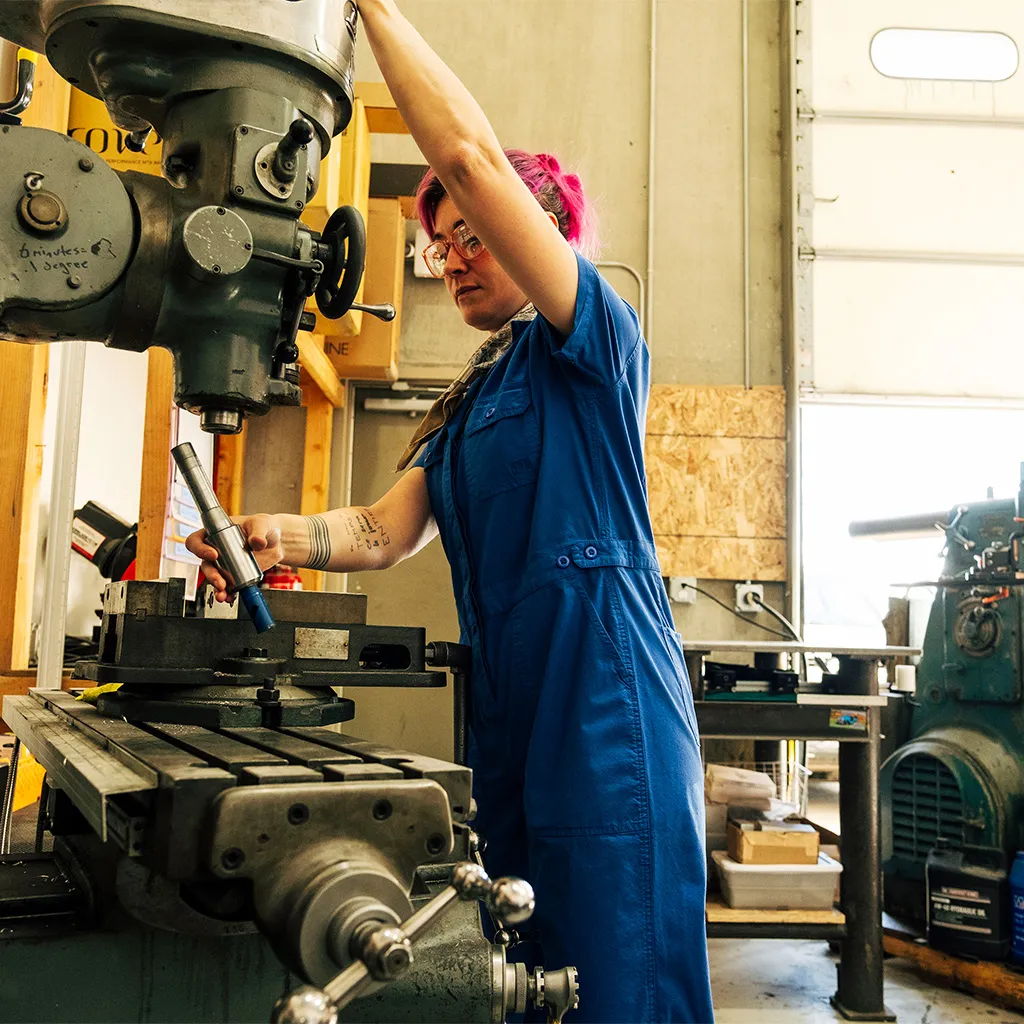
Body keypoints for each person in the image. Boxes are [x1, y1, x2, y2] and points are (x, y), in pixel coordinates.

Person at [187, 2, 713, 1019]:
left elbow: (467, 156)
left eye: (471, 236)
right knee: (527, 973)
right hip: (511, 705)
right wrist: (273, 532)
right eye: (440, 247)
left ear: (542, 234)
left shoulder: (592, 339)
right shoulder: (471, 396)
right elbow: (382, 532)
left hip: (605, 703)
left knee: (621, 976)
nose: (452, 258)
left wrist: (371, 10)